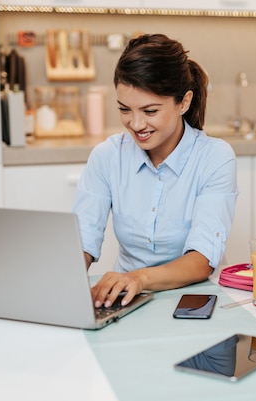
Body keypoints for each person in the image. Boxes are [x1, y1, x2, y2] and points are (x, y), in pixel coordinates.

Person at [73, 34, 238, 309]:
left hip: (195, 301)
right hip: (125, 301)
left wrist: (138, 278)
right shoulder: (108, 156)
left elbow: (201, 260)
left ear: (183, 102)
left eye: (150, 111)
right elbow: (83, 240)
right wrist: (64, 282)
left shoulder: (215, 158)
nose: (136, 124)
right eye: (125, 109)